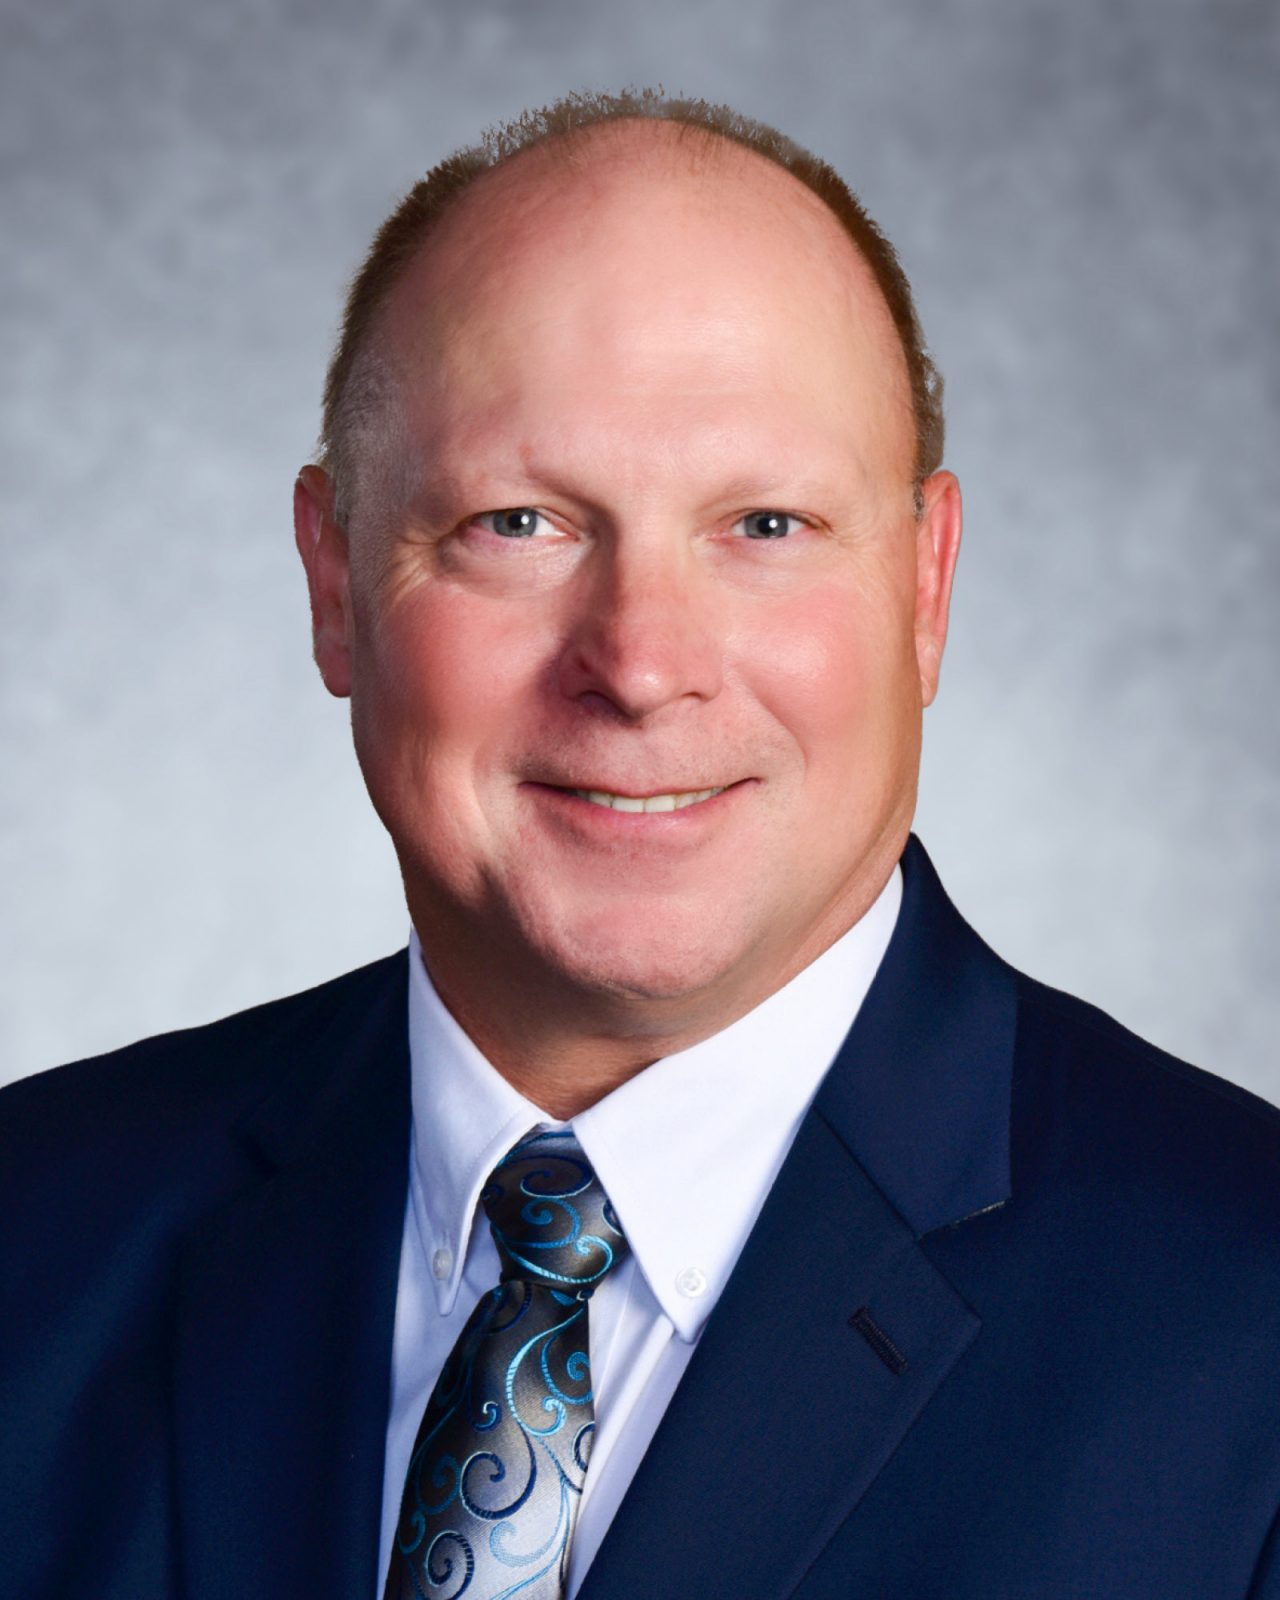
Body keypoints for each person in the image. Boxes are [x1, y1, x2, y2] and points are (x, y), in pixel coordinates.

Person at [2, 90, 1278, 1600]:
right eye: (518, 523)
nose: (643, 661)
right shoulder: (37, 1236)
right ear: (334, 582)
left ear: (926, 588)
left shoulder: (1246, 1327)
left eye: (766, 526)